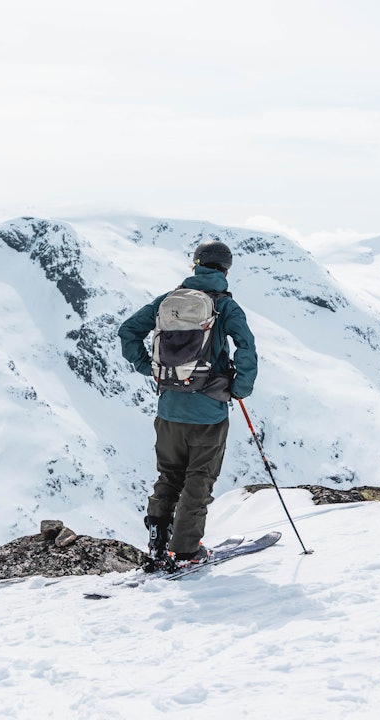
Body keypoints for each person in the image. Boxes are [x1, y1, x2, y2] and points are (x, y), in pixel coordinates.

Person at [118, 240, 257, 568]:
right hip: (209, 412)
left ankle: (157, 544)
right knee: (198, 480)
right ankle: (184, 551)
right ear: (225, 269)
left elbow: (128, 332)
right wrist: (240, 388)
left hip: (168, 410)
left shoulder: (168, 302)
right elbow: (246, 348)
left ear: (195, 265)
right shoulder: (225, 307)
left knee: (169, 475)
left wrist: (152, 370)